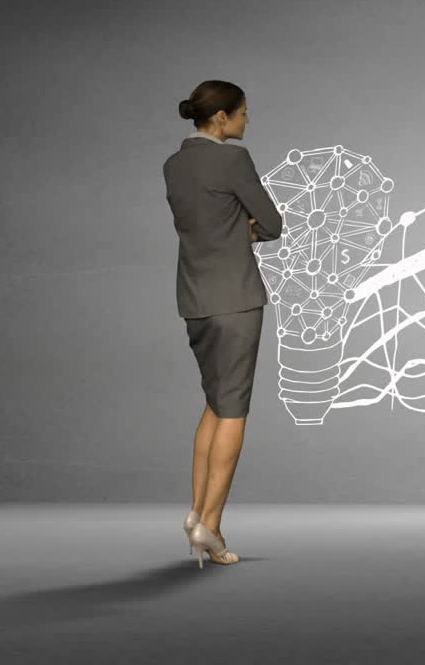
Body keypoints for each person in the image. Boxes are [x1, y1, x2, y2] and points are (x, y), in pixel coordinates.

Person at [162, 80, 283, 568]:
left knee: (214, 403)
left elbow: (198, 223)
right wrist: (244, 230)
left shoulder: (173, 164)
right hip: (235, 299)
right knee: (233, 410)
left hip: (194, 298)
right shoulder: (233, 160)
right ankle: (208, 523)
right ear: (221, 119)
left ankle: (201, 518)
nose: (247, 121)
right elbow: (272, 223)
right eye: (243, 113)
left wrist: (230, 227)